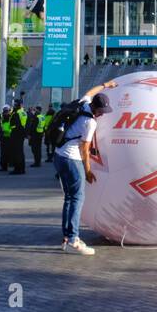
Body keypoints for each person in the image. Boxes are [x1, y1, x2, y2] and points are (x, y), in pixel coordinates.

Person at [55, 80, 117, 255]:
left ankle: (67, 237)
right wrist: (88, 170)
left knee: (69, 197)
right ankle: (73, 240)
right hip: (71, 159)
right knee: (77, 198)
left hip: (59, 155)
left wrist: (106, 85)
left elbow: (90, 90)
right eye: (102, 111)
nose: (103, 114)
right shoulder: (90, 123)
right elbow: (84, 148)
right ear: (97, 110)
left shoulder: (84, 103)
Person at [7, 102, 28, 175]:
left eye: (15, 105)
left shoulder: (16, 113)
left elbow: (15, 124)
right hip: (22, 133)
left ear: (17, 106)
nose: (13, 107)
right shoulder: (24, 112)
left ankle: (17, 169)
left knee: (16, 152)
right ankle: (22, 168)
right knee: (20, 152)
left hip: (16, 134)